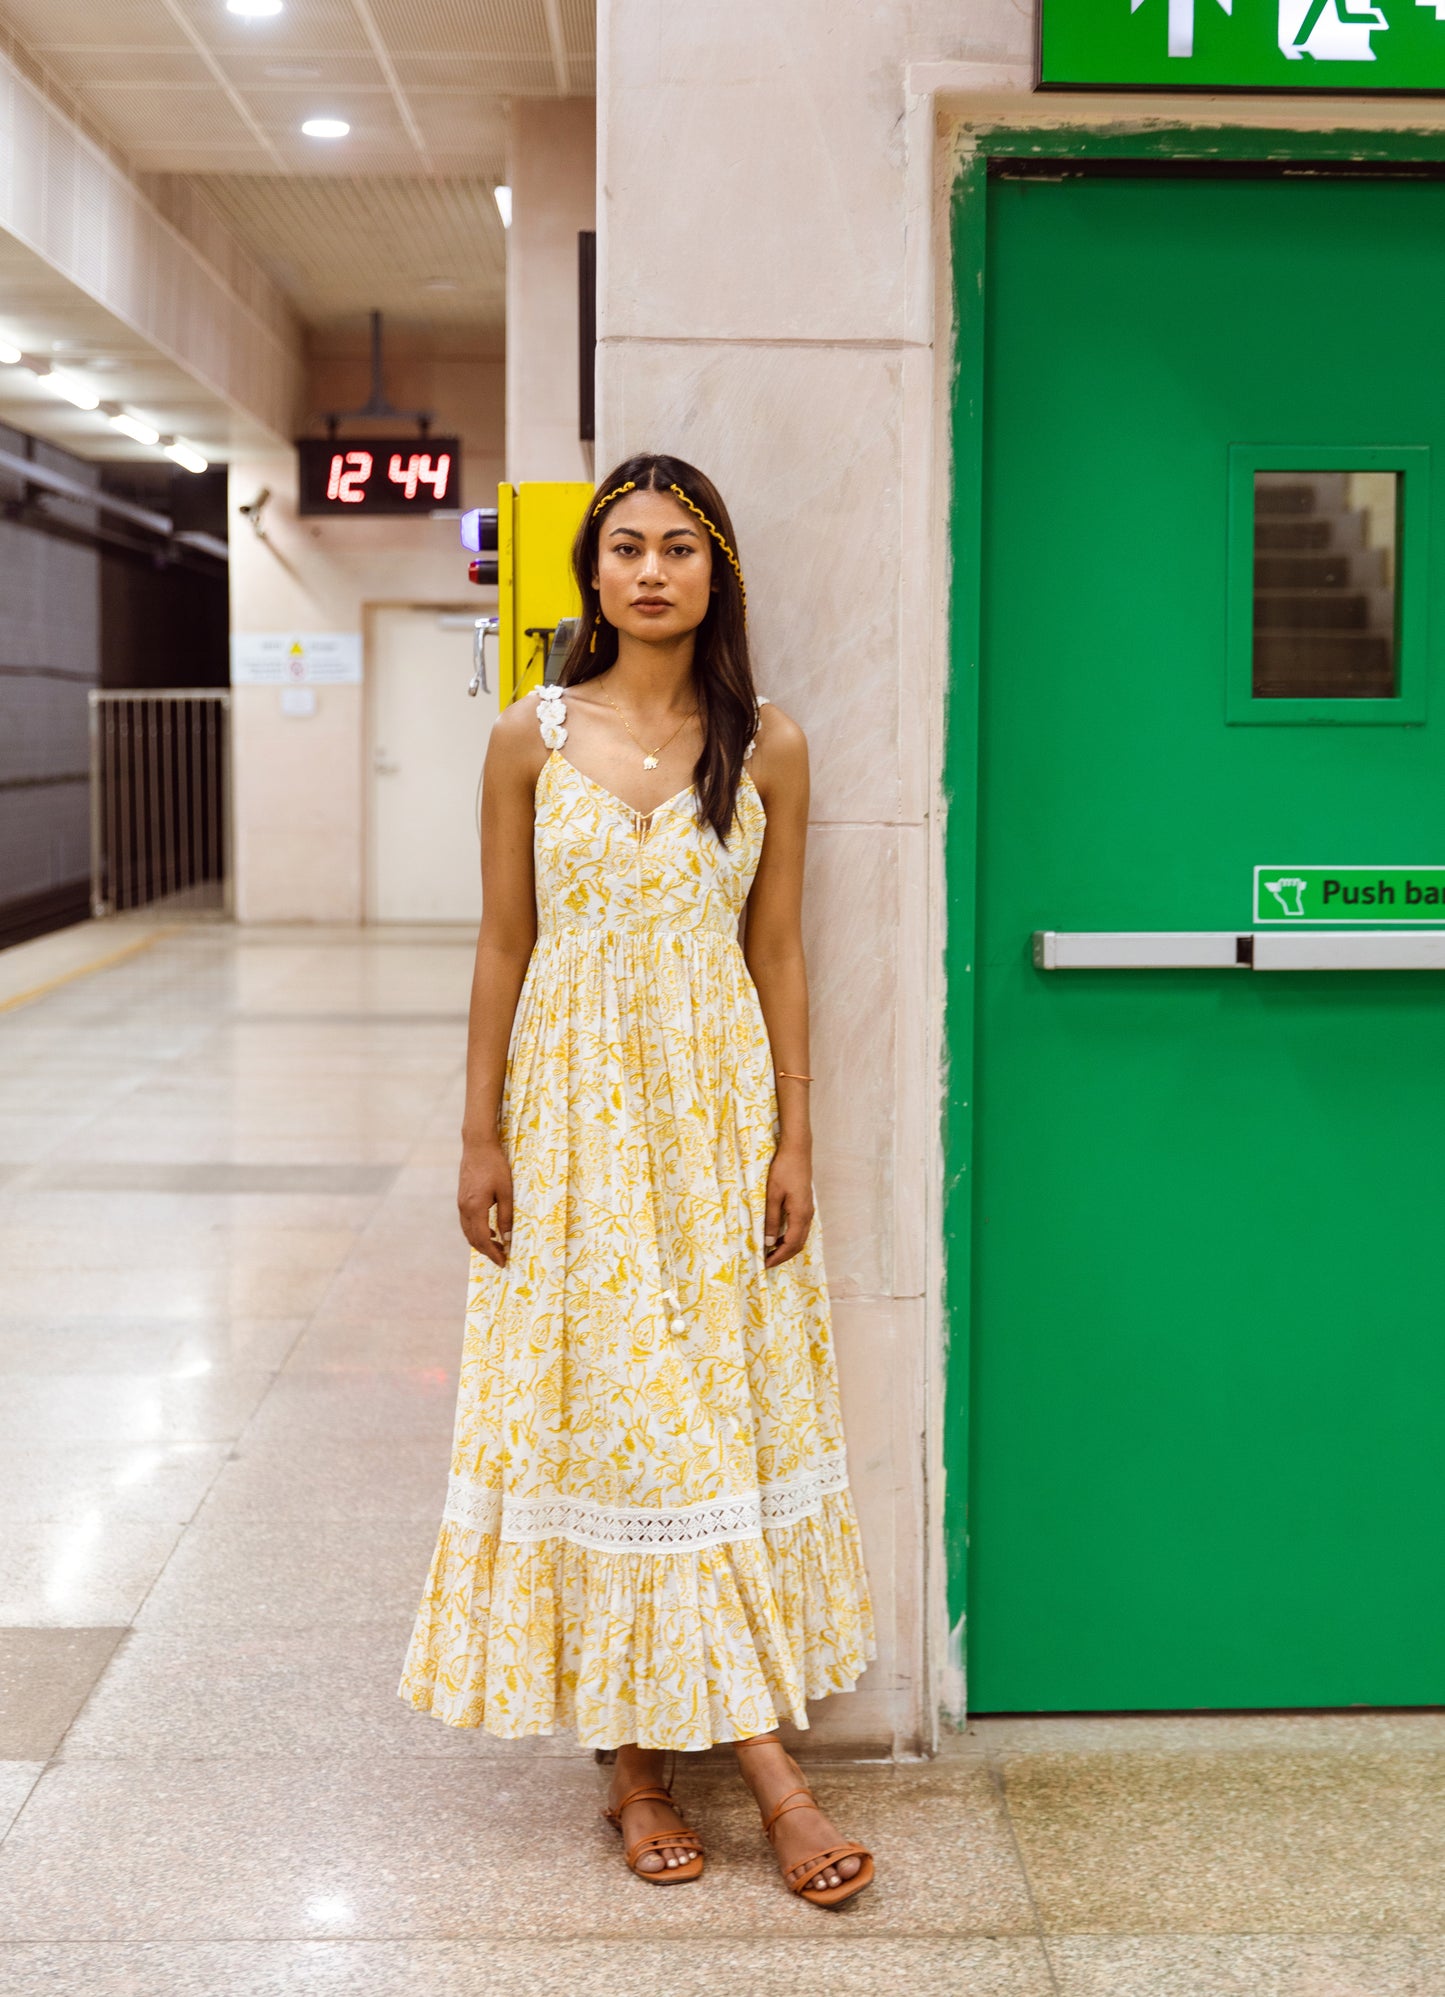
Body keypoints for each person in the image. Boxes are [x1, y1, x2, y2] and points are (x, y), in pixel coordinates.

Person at [400, 453, 876, 1907]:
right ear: (589, 573)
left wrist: (796, 1136)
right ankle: (768, 1776)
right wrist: (478, 1131)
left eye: (679, 546)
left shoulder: (769, 742)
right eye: (625, 546)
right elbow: (502, 942)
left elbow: (777, 951)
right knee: (618, 1421)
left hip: (714, 1119)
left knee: (694, 1418)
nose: (651, 569)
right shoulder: (525, 737)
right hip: (571, 1122)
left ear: (716, 569)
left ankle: (641, 1770)